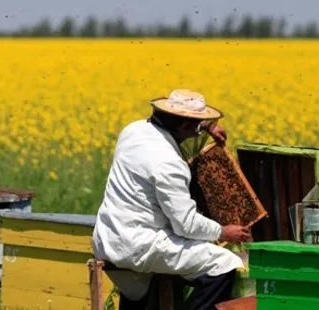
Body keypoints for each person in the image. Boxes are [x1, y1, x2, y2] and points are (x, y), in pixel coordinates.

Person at [92, 89, 252, 310]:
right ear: (185, 125)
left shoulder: (133, 131)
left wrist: (205, 125)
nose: (196, 133)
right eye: (196, 126)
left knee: (141, 289)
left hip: (108, 238)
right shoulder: (168, 163)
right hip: (140, 244)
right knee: (224, 264)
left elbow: (179, 124)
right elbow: (185, 224)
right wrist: (222, 232)